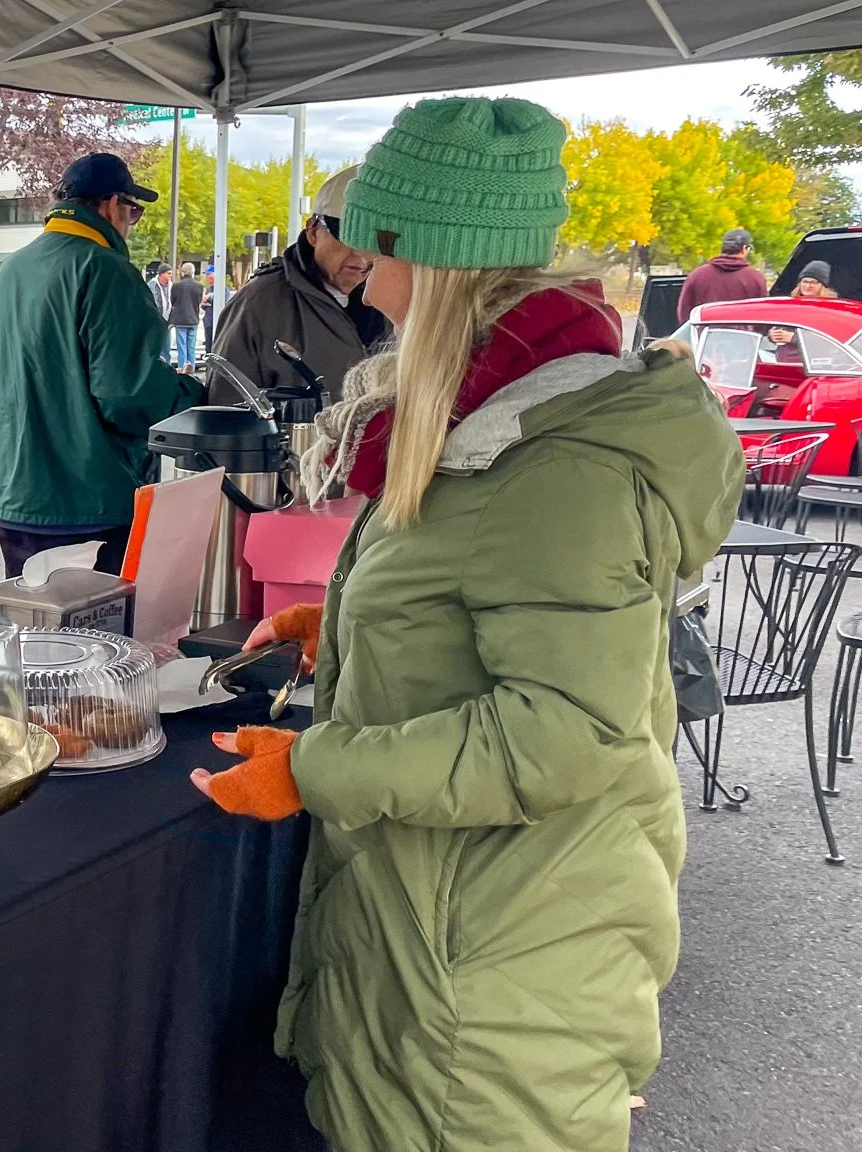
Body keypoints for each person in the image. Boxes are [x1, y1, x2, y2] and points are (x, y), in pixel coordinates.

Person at [190, 97, 742, 1152]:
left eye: (368, 240)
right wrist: (352, 623)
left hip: (490, 972)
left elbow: (561, 732)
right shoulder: (494, 403)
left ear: (422, 254)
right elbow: (492, 601)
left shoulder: (553, 460)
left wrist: (312, 770)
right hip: (446, 928)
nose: (353, 265)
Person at [0, 152, 205, 579]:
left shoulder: (10, 269)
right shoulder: (105, 268)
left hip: (12, 490)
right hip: (87, 496)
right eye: (133, 211)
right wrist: (190, 393)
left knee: (33, 627)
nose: (130, 222)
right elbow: (127, 394)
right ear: (110, 204)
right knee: (94, 637)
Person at [210, 164, 389, 404]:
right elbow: (224, 410)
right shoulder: (258, 305)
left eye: (376, 243)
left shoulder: (392, 301)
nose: (362, 256)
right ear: (313, 230)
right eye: (348, 239)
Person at [677, 228, 767, 321]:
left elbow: (684, 311)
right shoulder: (755, 278)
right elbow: (764, 313)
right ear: (744, 249)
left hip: (705, 334)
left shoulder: (696, 275)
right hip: (745, 335)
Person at [170, 261, 205, 370]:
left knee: (182, 347)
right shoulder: (199, 286)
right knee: (191, 347)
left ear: (182, 272)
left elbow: (173, 301)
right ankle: (191, 369)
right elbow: (199, 301)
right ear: (193, 272)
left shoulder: (176, 285)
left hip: (180, 319)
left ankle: (182, 369)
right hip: (193, 319)